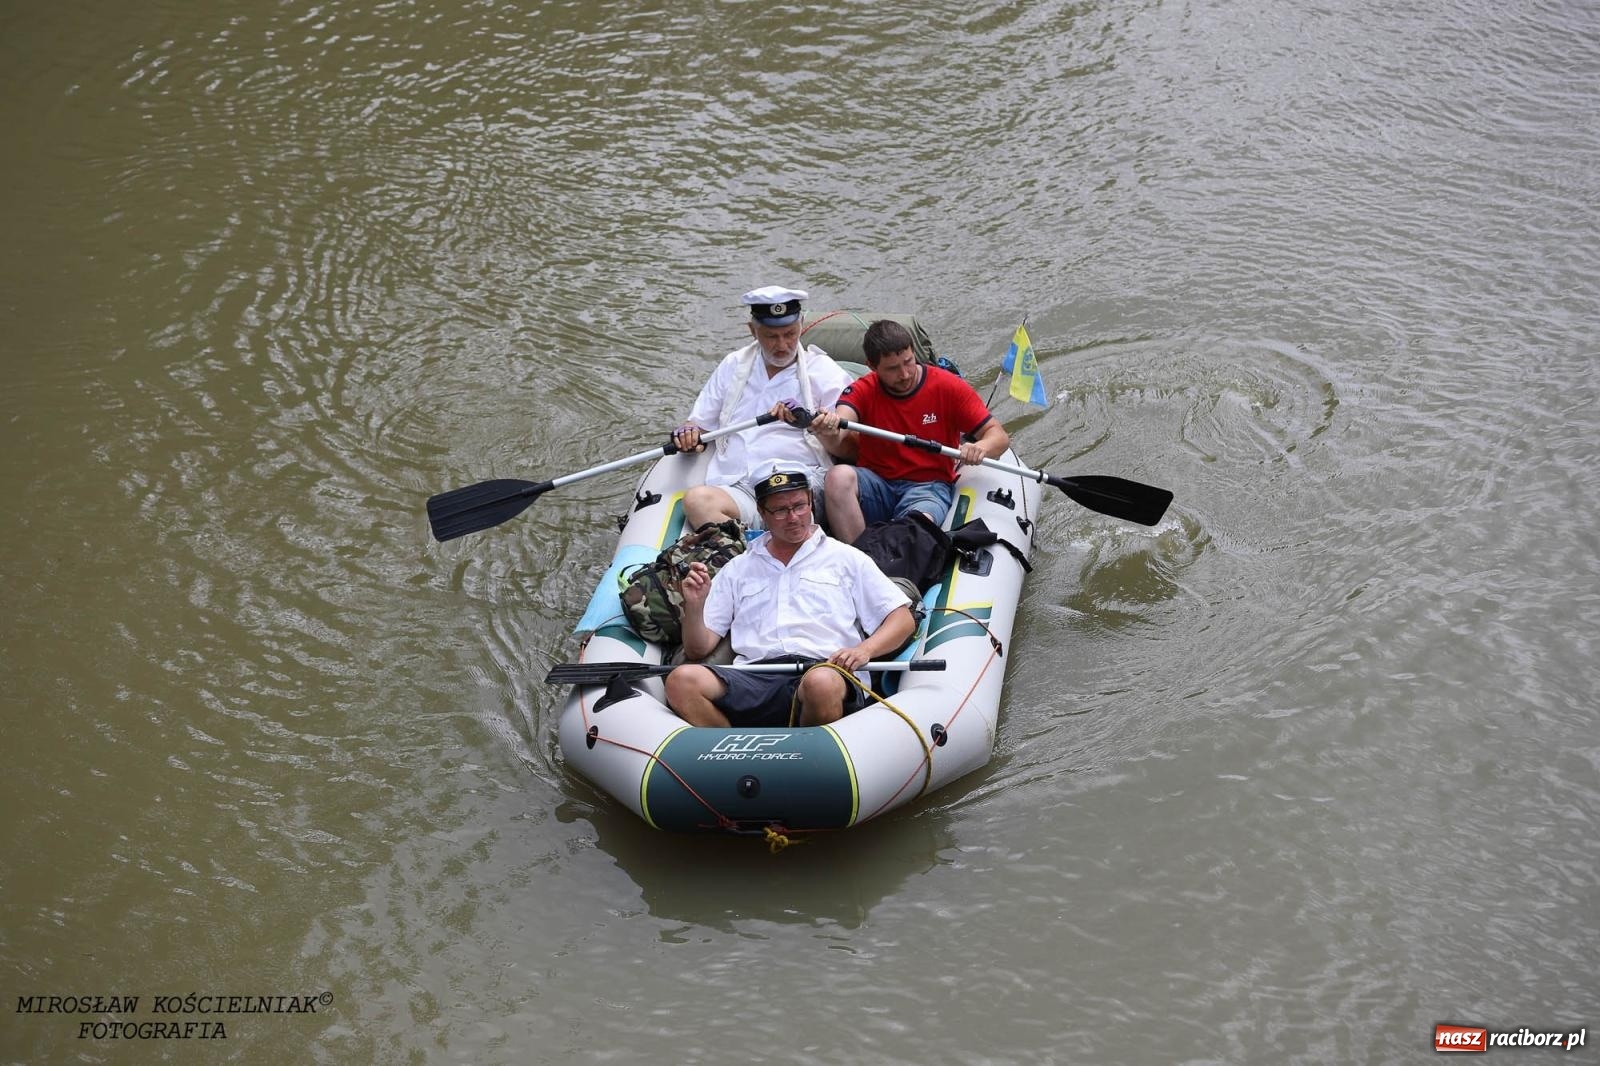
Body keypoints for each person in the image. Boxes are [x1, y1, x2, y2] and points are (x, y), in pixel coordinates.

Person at [665, 467, 916, 727]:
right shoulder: (737, 568)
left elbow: (902, 619)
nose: (793, 517)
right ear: (762, 514)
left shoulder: (846, 557)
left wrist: (864, 650)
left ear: (811, 504)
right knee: (681, 681)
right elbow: (698, 648)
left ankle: (809, 756)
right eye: (781, 510)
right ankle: (733, 750)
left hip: (826, 669)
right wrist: (694, 606)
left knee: (821, 683)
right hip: (754, 675)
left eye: (799, 506)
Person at [809, 319, 1011, 543]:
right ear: (872, 366)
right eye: (893, 368)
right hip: (877, 485)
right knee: (837, 477)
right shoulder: (862, 390)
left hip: (928, 487)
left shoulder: (947, 387)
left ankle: (901, 557)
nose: (905, 374)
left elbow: (998, 436)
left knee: (917, 522)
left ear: (914, 353)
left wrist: (979, 448)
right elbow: (843, 421)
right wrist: (829, 426)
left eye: (908, 362)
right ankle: (859, 558)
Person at [671, 286, 852, 529]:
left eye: (790, 334)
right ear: (752, 331)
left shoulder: (823, 371)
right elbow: (699, 424)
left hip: (799, 480)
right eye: (771, 336)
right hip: (739, 484)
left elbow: (852, 448)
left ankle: (763, 547)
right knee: (696, 501)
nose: (782, 344)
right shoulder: (733, 365)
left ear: (801, 324)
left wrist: (823, 429)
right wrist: (688, 434)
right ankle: (752, 552)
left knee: (783, 504)